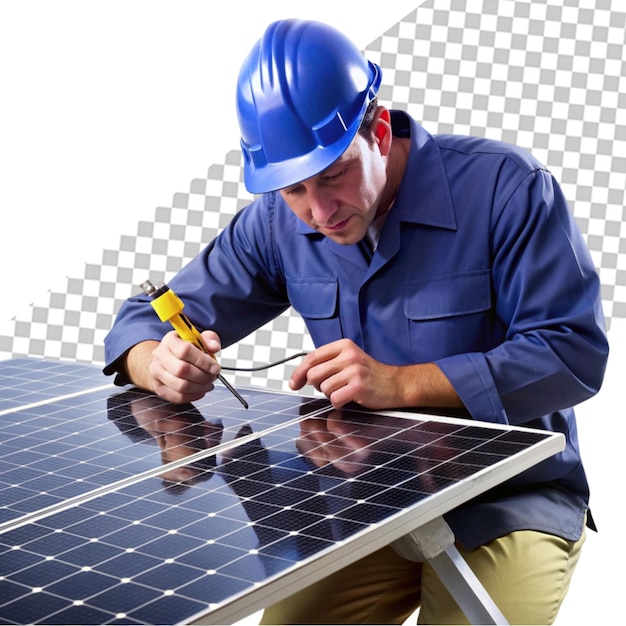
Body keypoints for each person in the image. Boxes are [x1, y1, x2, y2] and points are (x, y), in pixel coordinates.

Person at [103, 18, 609, 625]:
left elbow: (572, 353)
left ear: (380, 129)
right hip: (363, 501)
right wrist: (155, 363)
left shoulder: (508, 190)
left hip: (508, 500)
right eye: (292, 189)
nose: (317, 212)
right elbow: (143, 318)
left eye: (333, 174)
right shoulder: (276, 222)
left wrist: (403, 384)